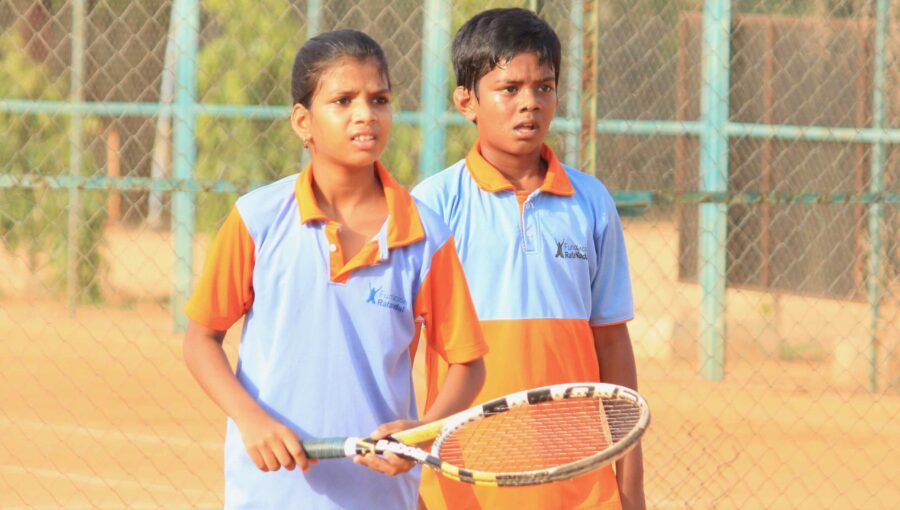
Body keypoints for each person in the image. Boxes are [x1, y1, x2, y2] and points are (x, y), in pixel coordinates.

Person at [182, 29, 487, 510]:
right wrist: (250, 420)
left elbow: (468, 364)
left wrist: (423, 432)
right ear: (302, 121)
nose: (366, 114)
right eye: (343, 101)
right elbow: (200, 339)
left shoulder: (426, 235)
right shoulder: (257, 219)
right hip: (270, 493)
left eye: (379, 99)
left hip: (379, 496)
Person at [412, 8, 645, 510]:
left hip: (580, 487)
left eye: (544, 87)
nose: (530, 103)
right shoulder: (433, 206)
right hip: (462, 486)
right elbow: (397, 346)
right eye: (509, 88)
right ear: (466, 101)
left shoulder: (591, 202)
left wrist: (631, 488)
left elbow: (612, 345)